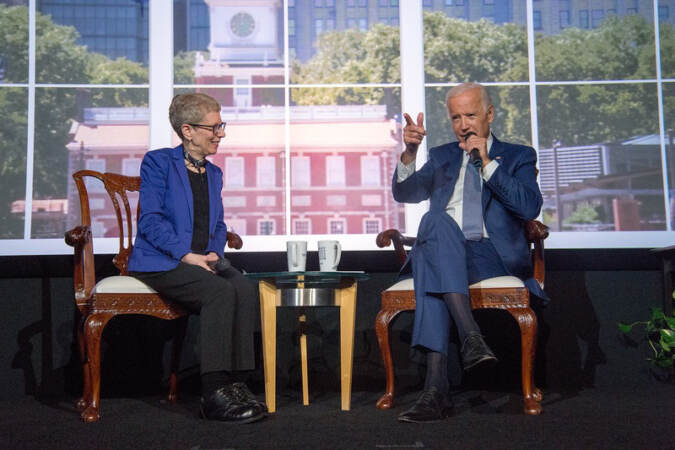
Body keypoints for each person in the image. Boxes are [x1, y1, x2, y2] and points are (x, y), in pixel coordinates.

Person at [392, 82, 546, 423]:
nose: (464, 124)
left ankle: (435, 390)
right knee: (435, 220)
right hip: (445, 249)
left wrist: (488, 163)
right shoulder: (443, 155)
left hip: (490, 254)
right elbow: (406, 194)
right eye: (456, 117)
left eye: (471, 115)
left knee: (433, 255)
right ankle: (470, 336)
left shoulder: (519, 155)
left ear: (489, 114)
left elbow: (528, 206)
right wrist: (409, 153)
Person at [128, 93, 266, 424]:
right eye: (214, 127)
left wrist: (215, 252)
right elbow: (150, 220)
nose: (221, 133)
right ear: (187, 130)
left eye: (222, 125)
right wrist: (186, 255)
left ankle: (237, 385)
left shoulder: (214, 173)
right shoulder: (159, 162)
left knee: (244, 288)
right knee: (218, 291)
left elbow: (217, 224)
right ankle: (214, 393)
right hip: (163, 261)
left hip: (203, 260)